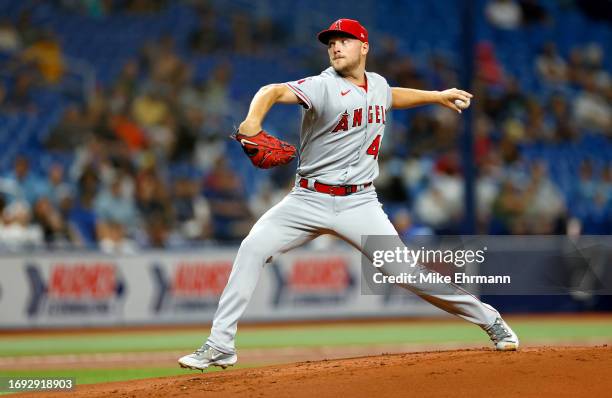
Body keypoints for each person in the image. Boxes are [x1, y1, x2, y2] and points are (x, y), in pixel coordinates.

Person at [178, 19, 519, 371]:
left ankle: (490, 319)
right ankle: (220, 344)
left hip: (359, 202)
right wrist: (252, 122)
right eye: (331, 43)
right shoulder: (323, 86)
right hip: (307, 199)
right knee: (252, 249)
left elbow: (390, 96)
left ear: (364, 47)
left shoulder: (379, 85)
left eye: (345, 40)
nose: (336, 47)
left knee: (406, 273)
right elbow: (273, 90)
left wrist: (436, 96)